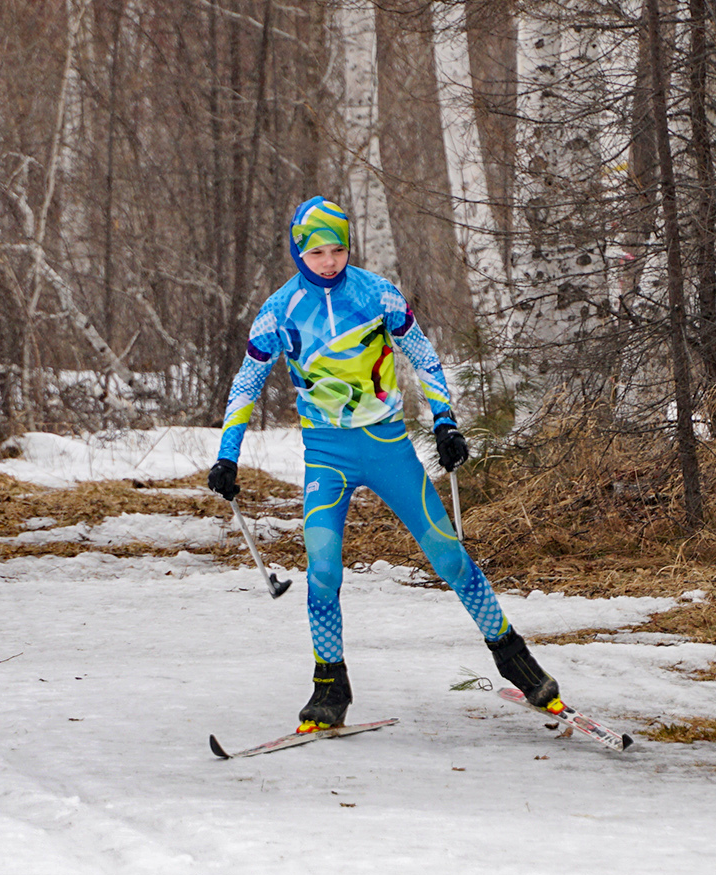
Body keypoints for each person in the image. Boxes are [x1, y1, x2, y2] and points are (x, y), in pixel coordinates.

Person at [207, 196, 561, 733]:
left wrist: (445, 420)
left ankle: (514, 658)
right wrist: (227, 455)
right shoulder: (278, 311)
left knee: (450, 556)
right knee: (322, 570)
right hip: (326, 454)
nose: (330, 260)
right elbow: (246, 383)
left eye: (339, 248)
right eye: (319, 251)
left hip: (388, 446)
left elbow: (421, 354)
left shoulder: (377, 294)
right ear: (300, 251)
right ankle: (330, 684)